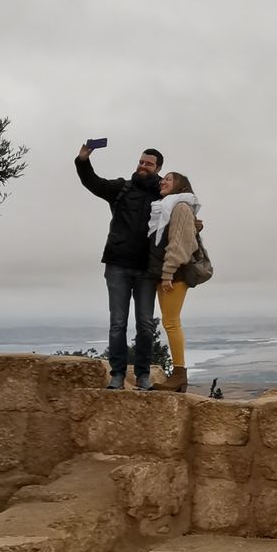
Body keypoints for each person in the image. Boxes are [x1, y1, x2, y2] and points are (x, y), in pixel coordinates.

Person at [75, 143, 162, 390]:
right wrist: (83, 160)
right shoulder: (122, 188)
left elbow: (182, 214)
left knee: (146, 325)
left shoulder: (163, 194)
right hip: (117, 266)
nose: (143, 166)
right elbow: (93, 182)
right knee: (118, 323)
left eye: (149, 164)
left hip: (147, 269)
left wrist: (196, 224)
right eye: (141, 162)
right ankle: (117, 375)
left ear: (158, 169)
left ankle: (143, 375)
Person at [147, 170, 202, 394]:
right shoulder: (167, 208)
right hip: (166, 273)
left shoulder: (179, 207)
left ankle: (179, 374)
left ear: (180, 186)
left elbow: (179, 244)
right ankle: (178, 376)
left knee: (171, 322)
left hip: (174, 275)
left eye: (168, 179)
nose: (163, 181)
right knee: (170, 322)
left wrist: (168, 272)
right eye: (163, 179)